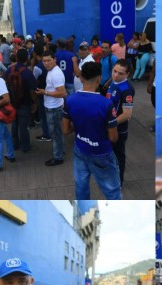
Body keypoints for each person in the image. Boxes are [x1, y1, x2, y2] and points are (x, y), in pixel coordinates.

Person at [63, 61, 121, 200]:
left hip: (80, 149)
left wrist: (79, 126)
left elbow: (65, 130)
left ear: (81, 77)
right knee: (112, 192)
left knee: (81, 188)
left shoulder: (69, 100)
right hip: (101, 152)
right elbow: (113, 137)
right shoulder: (106, 104)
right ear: (99, 78)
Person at [107, 59, 135, 187]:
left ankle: (118, 182)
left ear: (127, 74)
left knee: (118, 157)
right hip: (109, 127)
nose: (116, 75)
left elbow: (127, 114)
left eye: (120, 73)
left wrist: (110, 124)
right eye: (115, 71)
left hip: (118, 130)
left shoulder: (127, 89)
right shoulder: (113, 82)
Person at [35, 51, 66, 166]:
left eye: (49, 60)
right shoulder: (51, 71)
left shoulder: (55, 74)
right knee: (57, 133)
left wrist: (45, 92)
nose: (46, 63)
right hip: (53, 106)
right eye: (44, 61)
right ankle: (60, 152)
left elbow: (62, 93)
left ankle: (58, 157)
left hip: (54, 109)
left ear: (55, 60)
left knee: (56, 134)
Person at [5, 48, 37, 153]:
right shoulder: (28, 73)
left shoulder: (10, 69)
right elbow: (32, 90)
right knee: (23, 126)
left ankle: (15, 144)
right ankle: (25, 146)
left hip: (12, 102)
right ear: (27, 58)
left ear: (17, 57)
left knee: (14, 124)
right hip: (25, 103)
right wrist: (34, 103)